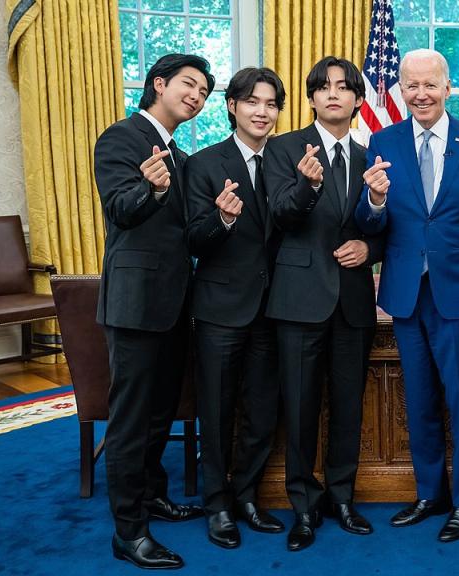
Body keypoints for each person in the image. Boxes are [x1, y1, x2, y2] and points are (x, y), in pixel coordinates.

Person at [354, 48, 459, 543]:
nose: (420, 94)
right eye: (410, 85)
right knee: (417, 401)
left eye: (429, 84)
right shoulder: (383, 139)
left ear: (447, 87)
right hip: (404, 294)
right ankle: (429, 493)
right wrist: (373, 200)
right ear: (401, 89)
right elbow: (373, 223)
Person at [94, 53, 214, 569]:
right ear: (158, 84)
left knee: (159, 414)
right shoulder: (120, 138)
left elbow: (187, 233)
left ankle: (151, 496)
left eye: (205, 92)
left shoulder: (181, 157)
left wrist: (223, 220)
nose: (197, 96)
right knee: (131, 420)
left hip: (174, 305)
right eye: (189, 84)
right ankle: (129, 530)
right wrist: (153, 188)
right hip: (135, 304)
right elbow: (121, 208)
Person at [264, 56, 384, 551]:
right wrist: (308, 186)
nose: (333, 94)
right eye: (323, 87)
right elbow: (280, 216)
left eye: (343, 87)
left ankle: (341, 498)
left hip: (353, 302)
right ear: (312, 98)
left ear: (358, 99)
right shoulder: (284, 148)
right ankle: (303, 506)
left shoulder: (369, 154)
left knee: (348, 409)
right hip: (299, 302)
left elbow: (383, 230)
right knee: (301, 408)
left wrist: (369, 241)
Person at [185, 66, 287, 549]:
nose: (261, 111)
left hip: (275, 309)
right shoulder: (204, 164)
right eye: (252, 102)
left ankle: (247, 495)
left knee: (263, 410)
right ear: (232, 106)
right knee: (218, 411)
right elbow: (193, 239)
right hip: (220, 309)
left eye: (270, 104)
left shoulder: (287, 161)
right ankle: (218, 505)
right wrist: (222, 220)